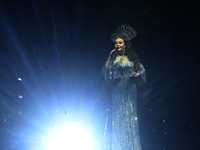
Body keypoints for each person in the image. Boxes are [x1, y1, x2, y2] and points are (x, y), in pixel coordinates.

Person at [102, 24, 146, 150]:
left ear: (125, 44)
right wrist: (110, 57)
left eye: (120, 42)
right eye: (116, 43)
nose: (118, 45)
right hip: (118, 91)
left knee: (130, 119)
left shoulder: (132, 58)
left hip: (130, 90)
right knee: (118, 120)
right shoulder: (113, 58)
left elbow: (142, 71)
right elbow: (105, 71)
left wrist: (137, 74)